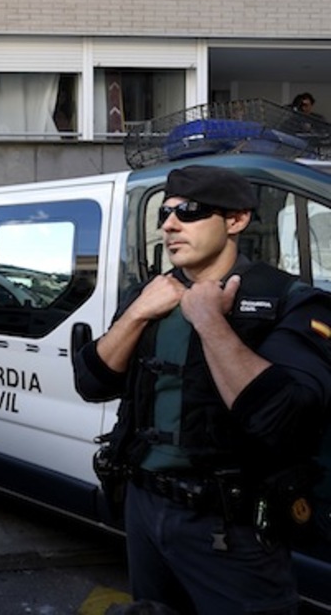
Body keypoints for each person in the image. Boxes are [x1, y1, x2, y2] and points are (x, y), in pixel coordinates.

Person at [73, 165, 331, 614]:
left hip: (230, 529)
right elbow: (92, 383)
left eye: (190, 212)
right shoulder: (148, 295)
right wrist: (137, 314)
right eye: (166, 213)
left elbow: (284, 417)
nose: (169, 225)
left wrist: (210, 319)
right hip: (145, 509)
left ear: (236, 221)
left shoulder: (287, 301)